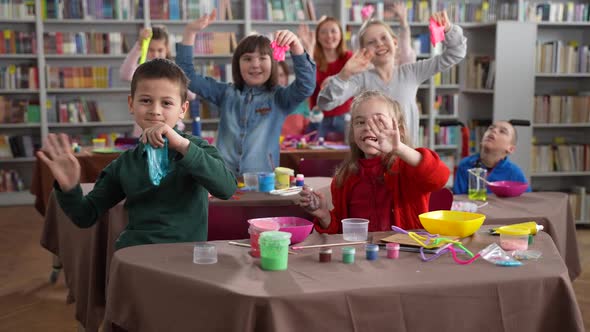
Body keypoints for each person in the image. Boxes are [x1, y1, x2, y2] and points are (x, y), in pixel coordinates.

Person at [37, 58, 237, 250]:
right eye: (146, 101)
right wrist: (70, 188)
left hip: (185, 258)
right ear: (131, 104)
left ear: (182, 109)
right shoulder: (124, 164)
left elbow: (226, 188)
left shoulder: (196, 149)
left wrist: (182, 145)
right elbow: (85, 215)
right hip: (136, 258)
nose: (155, 111)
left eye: (166, 103)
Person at [175, 9, 316, 176]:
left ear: (273, 64)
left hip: (262, 182)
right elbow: (187, 76)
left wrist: (296, 47)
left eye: (263, 58)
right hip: (222, 178)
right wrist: (190, 32)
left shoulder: (279, 98)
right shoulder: (226, 93)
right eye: (247, 59)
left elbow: (306, 85)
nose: (255, 64)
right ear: (237, 64)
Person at [298, 90, 450, 233]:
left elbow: (440, 177)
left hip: (405, 256)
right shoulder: (344, 179)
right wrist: (324, 215)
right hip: (362, 258)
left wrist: (399, 148)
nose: (368, 127)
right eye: (360, 122)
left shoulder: (409, 167)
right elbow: (341, 233)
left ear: (400, 130)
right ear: (352, 133)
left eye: (379, 122)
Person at [317, 11, 467, 146]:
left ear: (395, 42)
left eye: (383, 38)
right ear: (364, 51)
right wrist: (345, 74)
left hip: (407, 155)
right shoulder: (360, 80)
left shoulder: (411, 71)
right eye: (371, 42)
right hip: (372, 159)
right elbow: (325, 103)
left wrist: (448, 30)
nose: (379, 44)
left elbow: (455, 54)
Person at [119, 26, 194, 136]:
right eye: (151, 50)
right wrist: (139, 46)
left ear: (166, 50)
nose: (155, 54)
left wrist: (175, 90)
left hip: (172, 132)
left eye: (160, 50)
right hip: (142, 133)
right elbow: (125, 74)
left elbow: (192, 95)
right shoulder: (141, 73)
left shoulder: (175, 74)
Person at [453, 120, 530, 194]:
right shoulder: (465, 165)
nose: (493, 131)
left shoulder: (514, 173)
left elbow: (526, 200)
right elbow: (458, 201)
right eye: (491, 128)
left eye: (502, 131)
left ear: (511, 149)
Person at [277, 61, 311, 137]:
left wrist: (316, 120)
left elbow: (310, 132)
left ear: (286, 77)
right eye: (273, 76)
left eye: (281, 75)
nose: (277, 80)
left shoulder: (300, 101)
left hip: (298, 147)